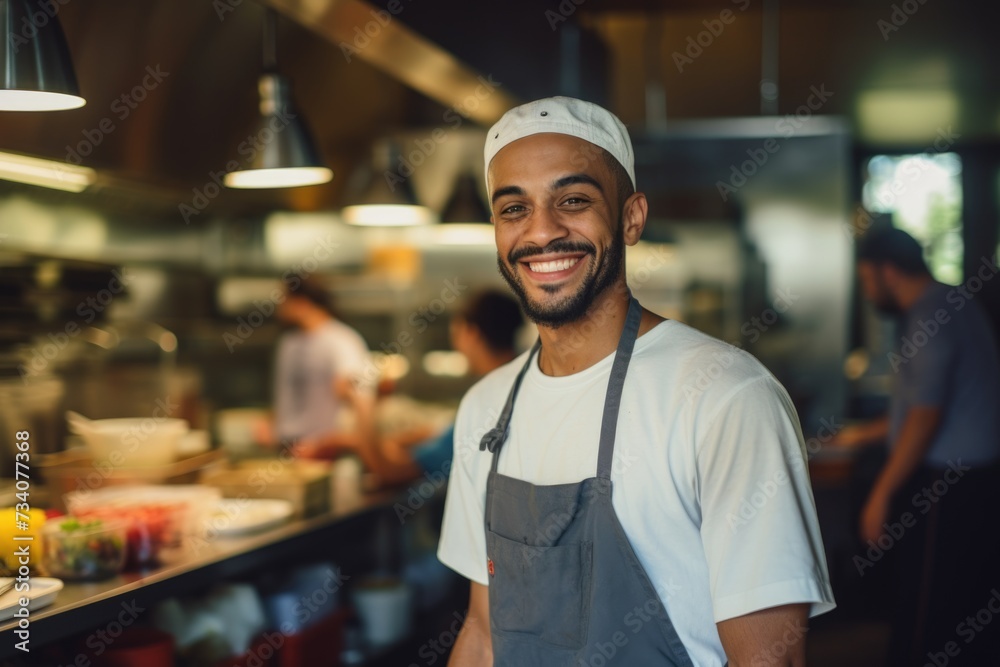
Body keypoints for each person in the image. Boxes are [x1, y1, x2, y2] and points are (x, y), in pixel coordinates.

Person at [438, 96, 835, 666]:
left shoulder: (726, 397)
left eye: (573, 200)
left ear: (631, 218)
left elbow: (770, 660)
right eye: (513, 208)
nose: (542, 232)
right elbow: (481, 634)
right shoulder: (486, 408)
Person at [832, 226, 1000, 666]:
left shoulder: (931, 313)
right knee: (954, 607)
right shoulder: (944, 302)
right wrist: (859, 434)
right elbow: (916, 409)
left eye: (868, 281)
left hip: (952, 486)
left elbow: (926, 417)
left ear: (889, 271)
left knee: (932, 611)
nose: (868, 293)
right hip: (969, 480)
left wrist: (882, 494)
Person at [260, 276, 376, 452]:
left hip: (324, 449)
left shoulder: (341, 340)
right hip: (287, 445)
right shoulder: (289, 343)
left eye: (283, 299)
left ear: (302, 302)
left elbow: (357, 391)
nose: (279, 306)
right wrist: (270, 424)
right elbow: (286, 396)